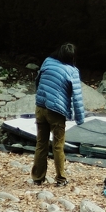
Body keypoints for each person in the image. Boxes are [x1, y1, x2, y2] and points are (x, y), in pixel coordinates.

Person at [32, 43, 86, 187]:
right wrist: (80, 119)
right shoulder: (72, 71)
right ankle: (61, 179)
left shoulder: (48, 61)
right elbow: (77, 97)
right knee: (57, 146)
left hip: (40, 107)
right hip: (56, 111)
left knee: (41, 143)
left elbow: (37, 80)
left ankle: (38, 178)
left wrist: (40, 96)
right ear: (72, 57)